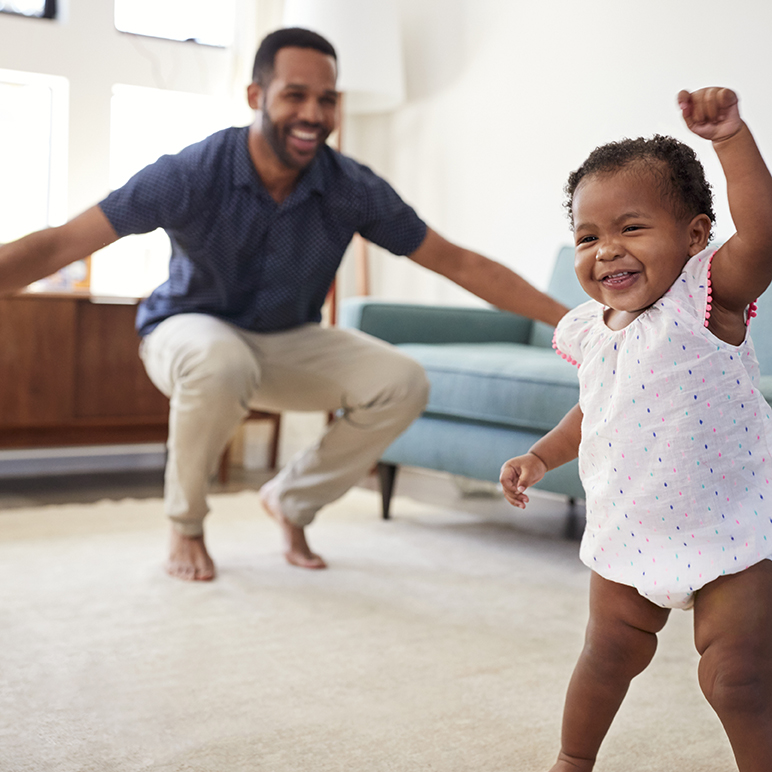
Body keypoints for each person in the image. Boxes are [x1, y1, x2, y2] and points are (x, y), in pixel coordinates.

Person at [0, 27, 568, 582]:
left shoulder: (350, 186)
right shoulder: (193, 172)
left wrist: (572, 321)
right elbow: (60, 243)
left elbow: (456, 261)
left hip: (287, 338)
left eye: (326, 99)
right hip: (187, 330)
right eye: (295, 95)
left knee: (403, 380)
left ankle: (291, 502)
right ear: (256, 96)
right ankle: (186, 524)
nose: (313, 114)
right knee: (220, 360)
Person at [499, 87, 772, 771]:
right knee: (608, 654)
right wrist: (540, 455)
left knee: (737, 679)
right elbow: (597, 409)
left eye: (631, 227)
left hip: (730, 526)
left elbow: (765, 233)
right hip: (632, 523)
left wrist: (731, 140)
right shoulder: (594, 329)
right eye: (588, 236)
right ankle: (572, 760)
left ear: (696, 235)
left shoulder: (708, 300)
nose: (607, 250)